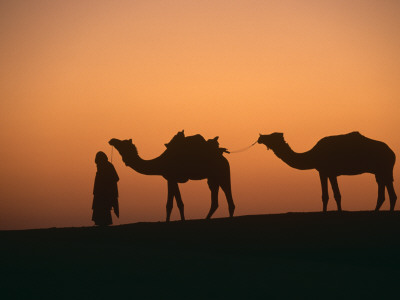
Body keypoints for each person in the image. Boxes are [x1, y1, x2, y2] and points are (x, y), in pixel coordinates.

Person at [92, 151, 119, 226]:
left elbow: (116, 178)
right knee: (100, 208)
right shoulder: (101, 166)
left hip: (105, 193)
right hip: (99, 193)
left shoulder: (108, 166)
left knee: (104, 208)